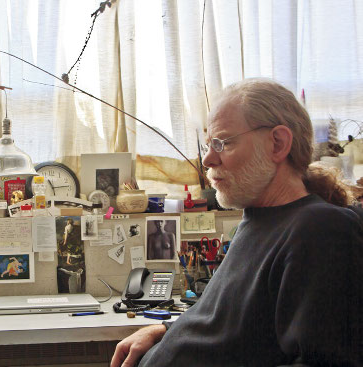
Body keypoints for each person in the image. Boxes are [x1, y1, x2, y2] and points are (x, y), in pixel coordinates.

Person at [111, 79, 363, 366]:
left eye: (223, 143)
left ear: (278, 144)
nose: (207, 159)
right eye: (209, 144)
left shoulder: (321, 231)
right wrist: (163, 332)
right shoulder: (258, 219)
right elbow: (231, 326)